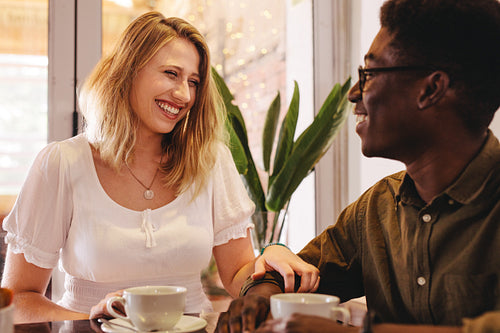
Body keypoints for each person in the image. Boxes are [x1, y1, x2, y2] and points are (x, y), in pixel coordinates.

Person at [0, 11, 319, 324]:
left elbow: (238, 276)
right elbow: (19, 299)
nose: (184, 95)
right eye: (171, 73)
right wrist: (94, 319)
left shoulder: (211, 161)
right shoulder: (61, 163)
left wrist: (271, 256)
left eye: (193, 81)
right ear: (128, 71)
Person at [216, 0, 500, 332]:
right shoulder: (376, 209)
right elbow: (296, 273)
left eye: (369, 73)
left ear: (431, 89)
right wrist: (260, 298)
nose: (353, 93)